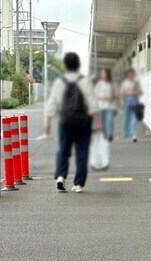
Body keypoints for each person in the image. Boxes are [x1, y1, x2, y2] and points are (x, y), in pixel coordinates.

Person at [44, 52, 101, 193]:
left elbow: (52, 104)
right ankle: (79, 184)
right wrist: (98, 121)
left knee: (63, 150)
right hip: (83, 121)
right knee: (82, 152)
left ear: (65, 66)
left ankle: (61, 177)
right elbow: (92, 102)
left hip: (65, 121)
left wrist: (47, 122)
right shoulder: (84, 81)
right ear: (78, 65)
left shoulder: (60, 82)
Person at [120, 68, 142, 142]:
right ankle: (126, 134)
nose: (130, 75)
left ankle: (134, 134)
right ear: (127, 75)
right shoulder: (124, 83)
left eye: (132, 73)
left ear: (133, 74)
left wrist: (135, 92)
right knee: (126, 118)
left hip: (134, 100)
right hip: (126, 99)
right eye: (129, 74)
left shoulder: (136, 82)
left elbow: (140, 92)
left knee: (134, 118)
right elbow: (122, 93)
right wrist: (122, 101)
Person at [94, 68, 117, 142]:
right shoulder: (99, 84)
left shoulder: (112, 83)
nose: (102, 74)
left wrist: (111, 97)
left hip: (111, 106)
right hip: (101, 106)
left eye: (104, 73)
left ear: (107, 74)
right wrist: (102, 97)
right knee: (102, 121)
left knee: (110, 120)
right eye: (101, 73)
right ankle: (104, 135)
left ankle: (110, 134)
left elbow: (116, 94)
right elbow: (95, 94)